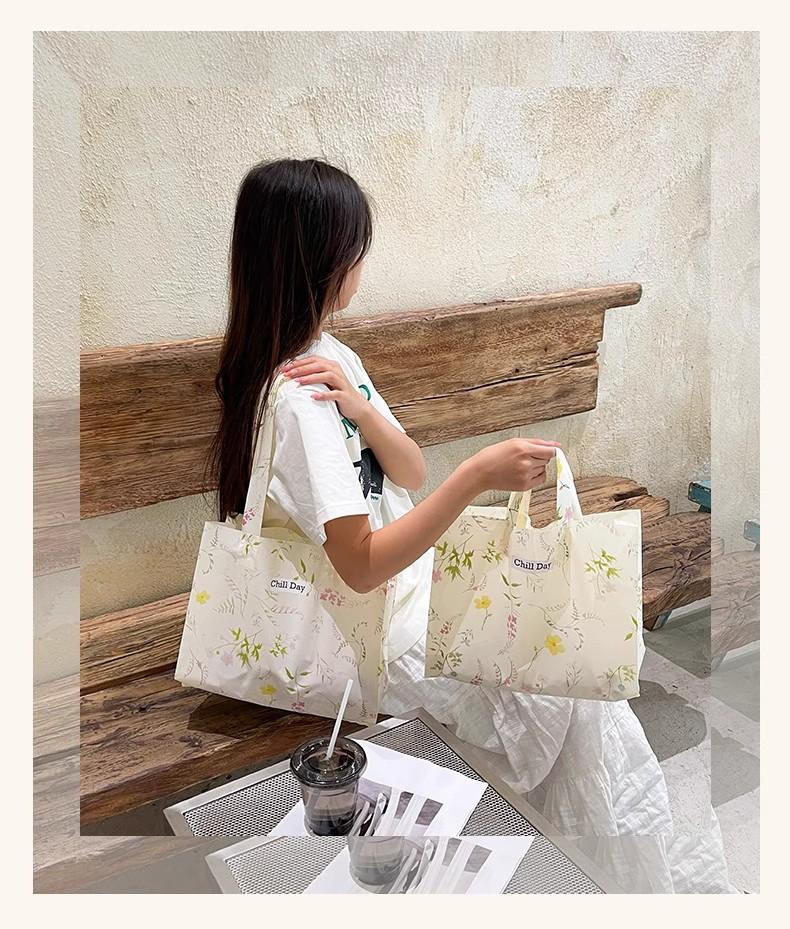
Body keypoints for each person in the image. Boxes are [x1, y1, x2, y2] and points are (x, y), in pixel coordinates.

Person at [209, 157, 735, 893]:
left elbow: (409, 470)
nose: (362, 264)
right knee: (568, 689)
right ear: (320, 259)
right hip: (365, 629)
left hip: (405, 590)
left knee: (573, 681)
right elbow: (360, 566)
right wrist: (477, 476)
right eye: (355, 248)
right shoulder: (296, 402)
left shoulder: (328, 356)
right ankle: (623, 882)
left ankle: (615, 876)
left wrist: (362, 409)